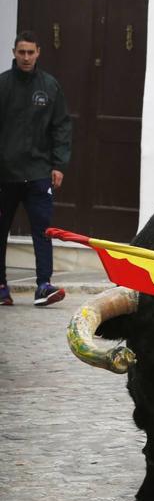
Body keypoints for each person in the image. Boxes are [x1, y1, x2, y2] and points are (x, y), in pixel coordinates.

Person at [0, 30, 71, 307]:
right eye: (22, 52)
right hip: (5, 175)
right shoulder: (3, 85)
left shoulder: (50, 86)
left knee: (43, 231)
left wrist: (59, 164)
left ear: (39, 52)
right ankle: (2, 287)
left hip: (40, 174)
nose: (26, 57)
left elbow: (61, 126)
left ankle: (43, 286)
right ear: (14, 53)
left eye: (31, 52)